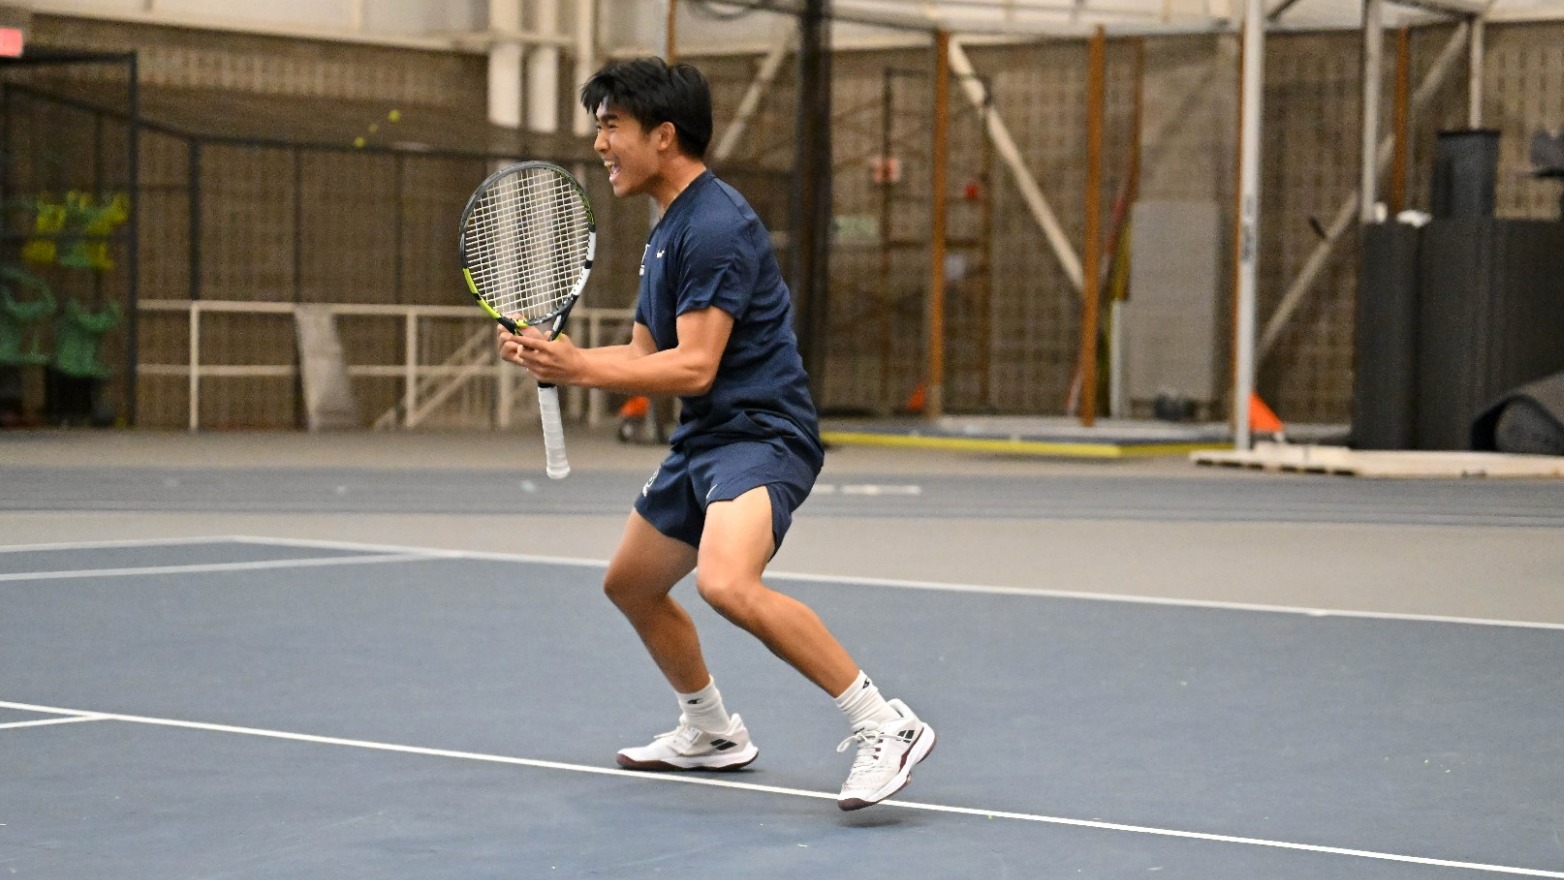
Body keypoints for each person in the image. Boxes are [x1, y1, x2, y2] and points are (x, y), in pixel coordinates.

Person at [497, 57, 935, 811]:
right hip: (705, 440)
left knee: (727, 583)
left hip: (762, 434)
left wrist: (578, 370)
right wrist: (560, 361)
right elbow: (642, 358)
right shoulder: (669, 230)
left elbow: (695, 367)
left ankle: (883, 723)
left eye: (612, 127)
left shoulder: (717, 225)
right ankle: (712, 731)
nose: (600, 144)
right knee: (631, 584)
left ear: (664, 136)